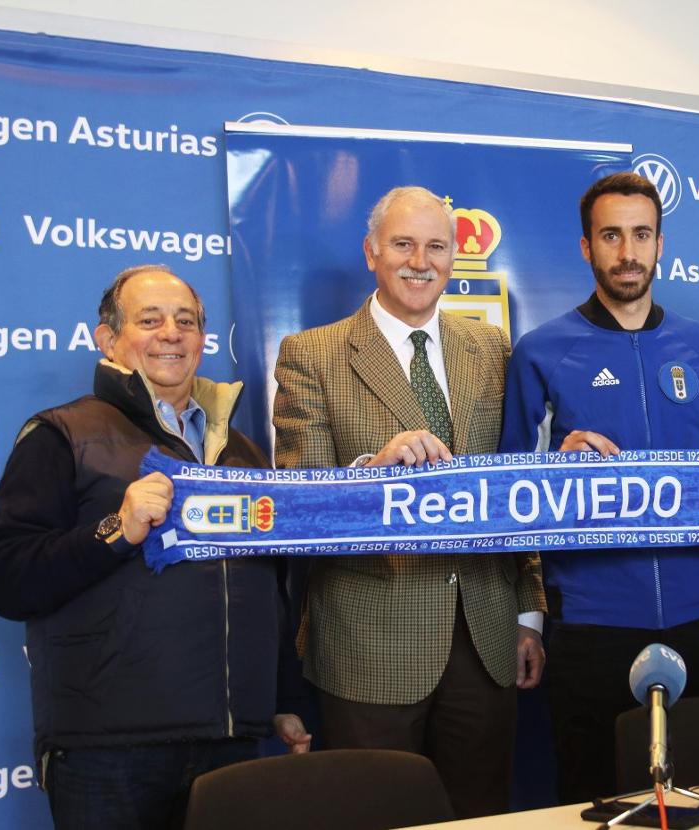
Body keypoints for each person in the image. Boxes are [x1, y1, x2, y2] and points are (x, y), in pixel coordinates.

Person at [0, 265, 309, 830]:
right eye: (149, 320)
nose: (171, 333)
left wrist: (279, 694)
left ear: (203, 338)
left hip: (231, 744)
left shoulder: (243, 452)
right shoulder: (63, 435)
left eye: (186, 321)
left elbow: (270, 586)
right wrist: (116, 531)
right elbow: (4, 576)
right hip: (109, 751)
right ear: (109, 339)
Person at [498, 172, 699, 802]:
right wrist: (554, 463)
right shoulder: (542, 351)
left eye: (641, 235)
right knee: (595, 797)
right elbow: (508, 489)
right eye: (611, 235)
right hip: (593, 622)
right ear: (585, 247)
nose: (627, 251)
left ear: (660, 243)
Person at [272, 185, 546, 819]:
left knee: (482, 814)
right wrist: (373, 471)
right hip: (369, 643)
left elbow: (516, 490)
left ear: (454, 258)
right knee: (377, 815)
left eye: (436, 246)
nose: (419, 261)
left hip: (485, 636)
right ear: (372, 252)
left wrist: (529, 611)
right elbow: (299, 503)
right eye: (403, 244)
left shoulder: (493, 350)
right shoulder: (311, 354)